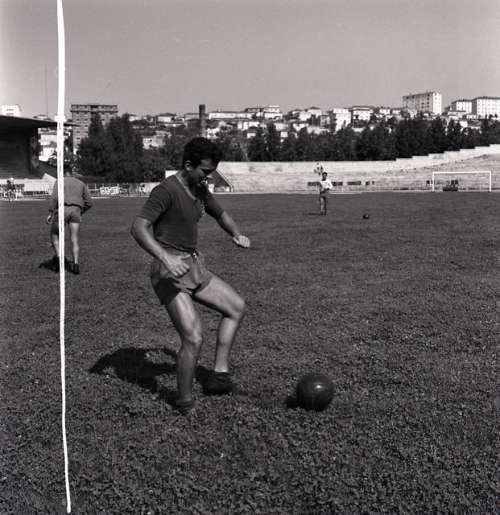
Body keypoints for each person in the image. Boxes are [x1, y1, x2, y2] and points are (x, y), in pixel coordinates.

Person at [130, 137, 250, 415]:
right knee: (193, 338)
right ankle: (184, 402)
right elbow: (138, 228)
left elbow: (221, 214)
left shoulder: (200, 189)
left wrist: (236, 234)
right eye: (205, 171)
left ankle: (219, 377)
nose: (209, 177)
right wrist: (166, 258)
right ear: (188, 165)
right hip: (168, 272)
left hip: (193, 265)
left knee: (236, 308)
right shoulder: (166, 190)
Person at [41, 162, 93, 274]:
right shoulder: (81, 183)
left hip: (62, 210)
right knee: (74, 239)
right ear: (71, 172)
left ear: (62, 172)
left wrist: (50, 212)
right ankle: (76, 265)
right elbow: (89, 202)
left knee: (55, 235)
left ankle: (60, 259)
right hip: (76, 211)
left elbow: (54, 198)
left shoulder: (59, 181)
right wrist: (80, 211)